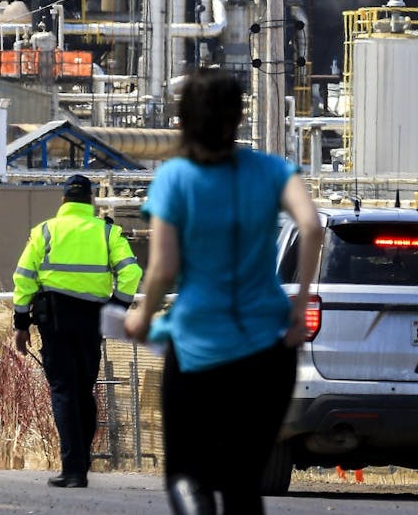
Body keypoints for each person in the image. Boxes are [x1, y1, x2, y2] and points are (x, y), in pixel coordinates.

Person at [125, 68, 322, 515]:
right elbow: (310, 226)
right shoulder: (271, 170)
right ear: (237, 116)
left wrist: (142, 314)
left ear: (184, 119)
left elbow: (164, 267)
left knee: (186, 476)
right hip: (268, 347)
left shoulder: (174, 179)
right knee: (242, 481)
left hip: (198, 343)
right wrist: (299, 307)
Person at [12, 173, 143, 489]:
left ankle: (73, 469)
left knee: (64, 391)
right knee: (83, 390)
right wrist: (116, 308)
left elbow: (24, 277)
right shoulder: (108, 232)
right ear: (92, 200)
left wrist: (21, 324)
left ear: (63, 201)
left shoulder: (45, 231)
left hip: (54, 321)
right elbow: (131, 272)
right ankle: (80, 464)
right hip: (92, 320)